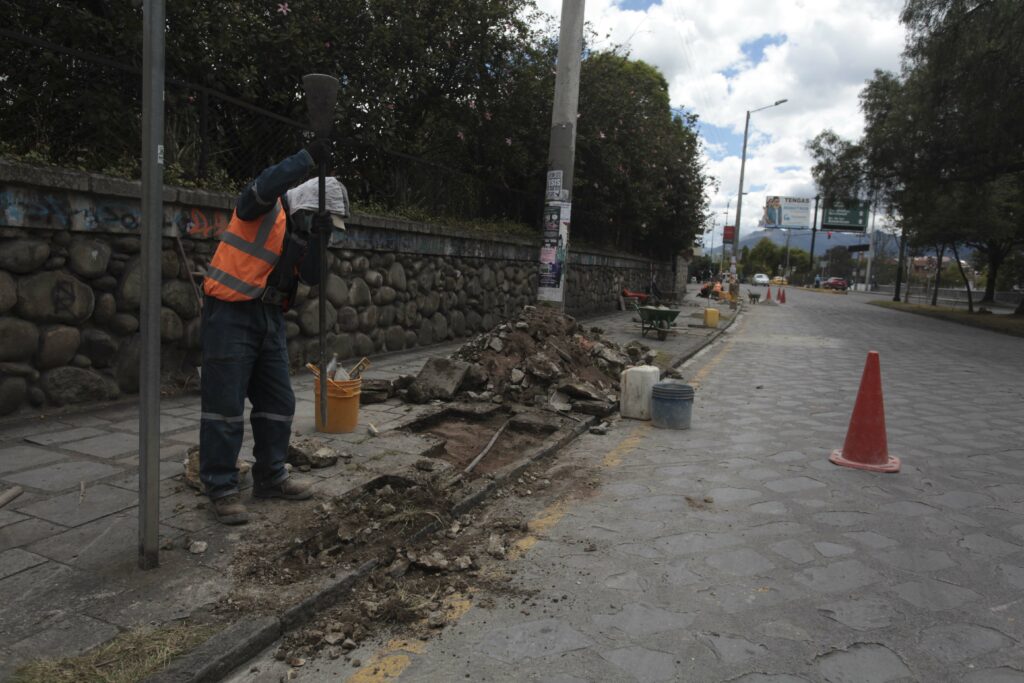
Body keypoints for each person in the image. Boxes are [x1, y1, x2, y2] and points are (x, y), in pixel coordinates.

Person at [200, 142, 348, 525]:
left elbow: (314, 276)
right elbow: (264, 185)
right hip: (230, 313)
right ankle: (221, 487)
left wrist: (319, 236)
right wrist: (307, 159)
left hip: (269, 318)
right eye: (323, 220)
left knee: (278, 402)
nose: (326, 226)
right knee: (225, 406)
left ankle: (270, 475)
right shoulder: (264, 207)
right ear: (303, 205)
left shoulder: (306, 229)